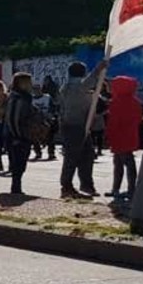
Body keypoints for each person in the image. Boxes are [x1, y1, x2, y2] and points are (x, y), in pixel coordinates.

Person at [57, 59, 107, 198]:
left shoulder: (65, 87)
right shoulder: (77, 86)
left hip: (76, 125)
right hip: (75, 126)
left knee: (87, 155)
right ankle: (67, 186)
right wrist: (99, 67)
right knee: (72, 157)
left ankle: (86, 184)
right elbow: (90, 80)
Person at [106, 75, 142, 199]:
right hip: (130, 135)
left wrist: (109, 135)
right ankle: (127, 188)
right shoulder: (135, 102)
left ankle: (123, 189)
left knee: (121, 163)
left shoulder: (116, 102)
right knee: (125, 162)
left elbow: (113, 121)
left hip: (119, 136)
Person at [4, 73, 36, 196]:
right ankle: (15, 188)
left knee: (21, 163)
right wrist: (18, 136)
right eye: (29, 82)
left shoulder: (25, 97)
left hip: (22, 134)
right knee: (18, 163)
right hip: (17, 136)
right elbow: (13, 118)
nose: (31, 84)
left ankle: (16, 186)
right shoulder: (17, 98)